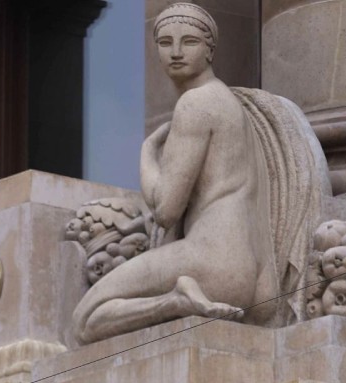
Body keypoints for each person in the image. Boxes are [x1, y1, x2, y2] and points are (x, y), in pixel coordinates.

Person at [72, 2, 279, 344]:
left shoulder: (196, 103)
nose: (177, 52)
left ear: (210, 49)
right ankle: (178, 300)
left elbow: (166, 210)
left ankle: (175, 302)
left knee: (85, 319)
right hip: (248, 271)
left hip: (211, 261)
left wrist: (146, 153)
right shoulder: (231, 104)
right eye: (165, 43)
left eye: (190, 42)